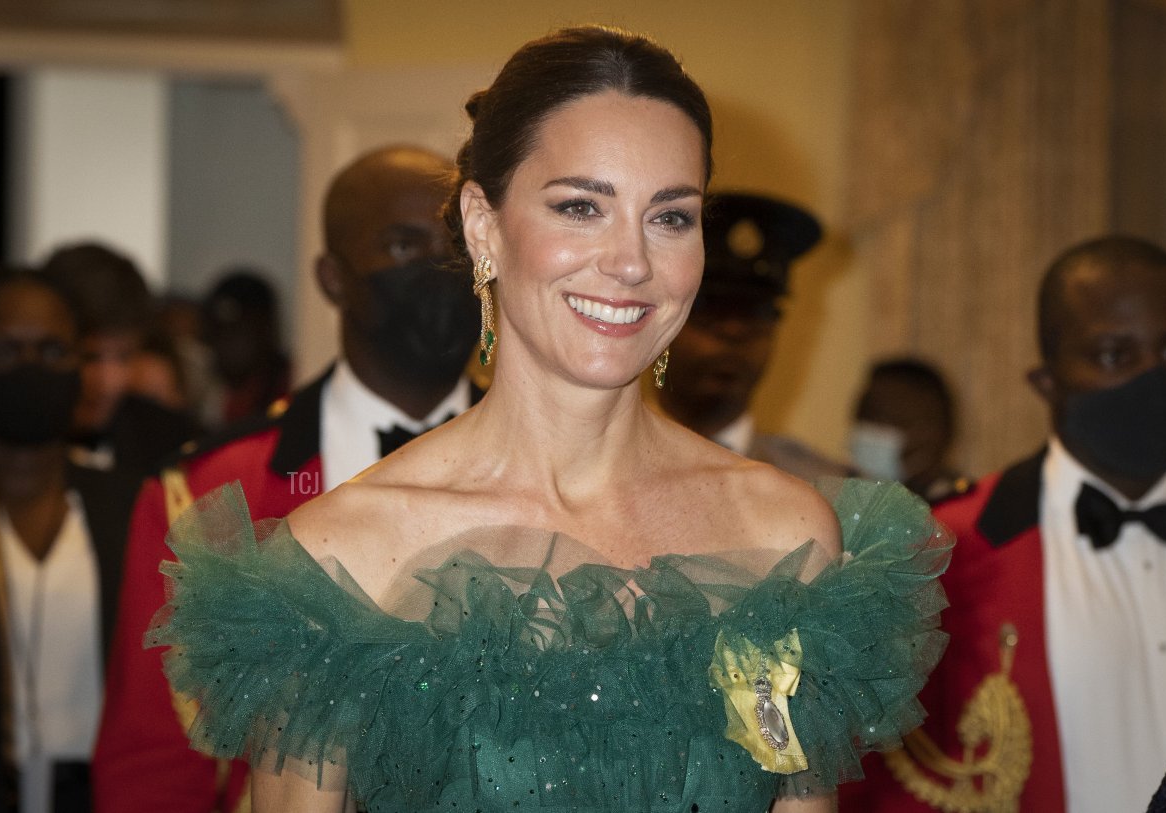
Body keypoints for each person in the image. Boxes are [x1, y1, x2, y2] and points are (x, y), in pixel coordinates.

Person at [147, 27, 952, 813]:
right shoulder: (337, 560)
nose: (632, 262)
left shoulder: (785, 536)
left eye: (670, 216)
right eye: (580, 207)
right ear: (482, 225)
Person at [91, 144, 484, 813]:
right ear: (332, 277)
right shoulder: (210, 491)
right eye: (400, 245)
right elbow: (153, 762)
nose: (437, 269)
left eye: (453, 245)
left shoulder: (560, 469)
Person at [839, 235, 1166, 812]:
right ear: (1046, 381)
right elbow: (871, 780)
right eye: (1114, 355)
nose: (1155, 377)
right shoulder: (938, 554)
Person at [0, 271, 139, 813]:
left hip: (102, 795)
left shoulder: (131, 509)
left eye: (52, 350)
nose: (30, 367)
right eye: (7, 350)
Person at [656, 191, 852, 481]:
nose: (734, 333)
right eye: (710, 310)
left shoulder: (826, 493)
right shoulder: (592, 473)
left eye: (757, 315)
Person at [39, 242, 200, 475]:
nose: (109, 382)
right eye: (89, 357)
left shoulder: (171, 440)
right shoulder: (13, 447)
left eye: (124, 357)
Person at [849, 357, 970, 501]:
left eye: (881, 420)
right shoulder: (854, 502)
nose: (866, 429)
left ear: (930, 433)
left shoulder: (960, 509)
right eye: (862, 417)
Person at [198, 269, 292, 429]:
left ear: (266, 329)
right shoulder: (202, 393)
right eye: (217, 330)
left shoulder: (292, 393)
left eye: (236, 331)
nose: (224, 342)